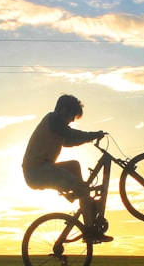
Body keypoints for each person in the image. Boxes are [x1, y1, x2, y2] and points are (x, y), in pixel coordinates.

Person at [22, 94, 112, 242]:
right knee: (84, 189)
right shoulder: (54, 119)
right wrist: (92, 134)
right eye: (72, 116)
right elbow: (70, 134)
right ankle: (90, 231)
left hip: (39, 170)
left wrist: (88, 138)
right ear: (64, 110)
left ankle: (81, 197)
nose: (72, 120)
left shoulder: (55, 125)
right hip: (39, 171)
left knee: (74, 165)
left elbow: (69, 141)